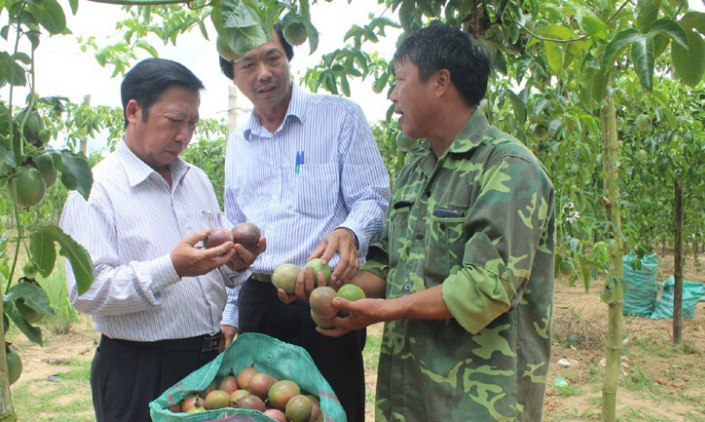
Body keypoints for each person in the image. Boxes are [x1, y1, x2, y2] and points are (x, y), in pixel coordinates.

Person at [314, 23, 556, 422]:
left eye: (399, 81)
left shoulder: (508, 169)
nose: (392, 97)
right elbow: (387, 265)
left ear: (441, 81)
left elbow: (485, 287)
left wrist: (385, 309)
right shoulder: (413, 173)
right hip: (410, 394)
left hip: (477, 400)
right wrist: (333, 289)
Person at [60, 58, 265, 422]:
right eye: (175, 120)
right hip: (139, 369)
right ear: (134, 111)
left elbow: (214, 267)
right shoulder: (95, 190)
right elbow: (86, 290)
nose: (185, 135)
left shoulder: (196, 180)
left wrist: (236, 263)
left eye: (192, 124)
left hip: (206, 363)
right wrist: (171, 268)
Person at [218, 25, 390, 422]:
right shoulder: (238, 143)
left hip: (324, 301)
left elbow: (373, 198)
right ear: (233, 75)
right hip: (259, 302)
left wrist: (350, 231)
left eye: (272, 58)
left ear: (289, 59)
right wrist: (230, 312)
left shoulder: (339, 118)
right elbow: (236, 233)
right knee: (264, 410)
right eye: (248, 64)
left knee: (333, 407)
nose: (263, 73)